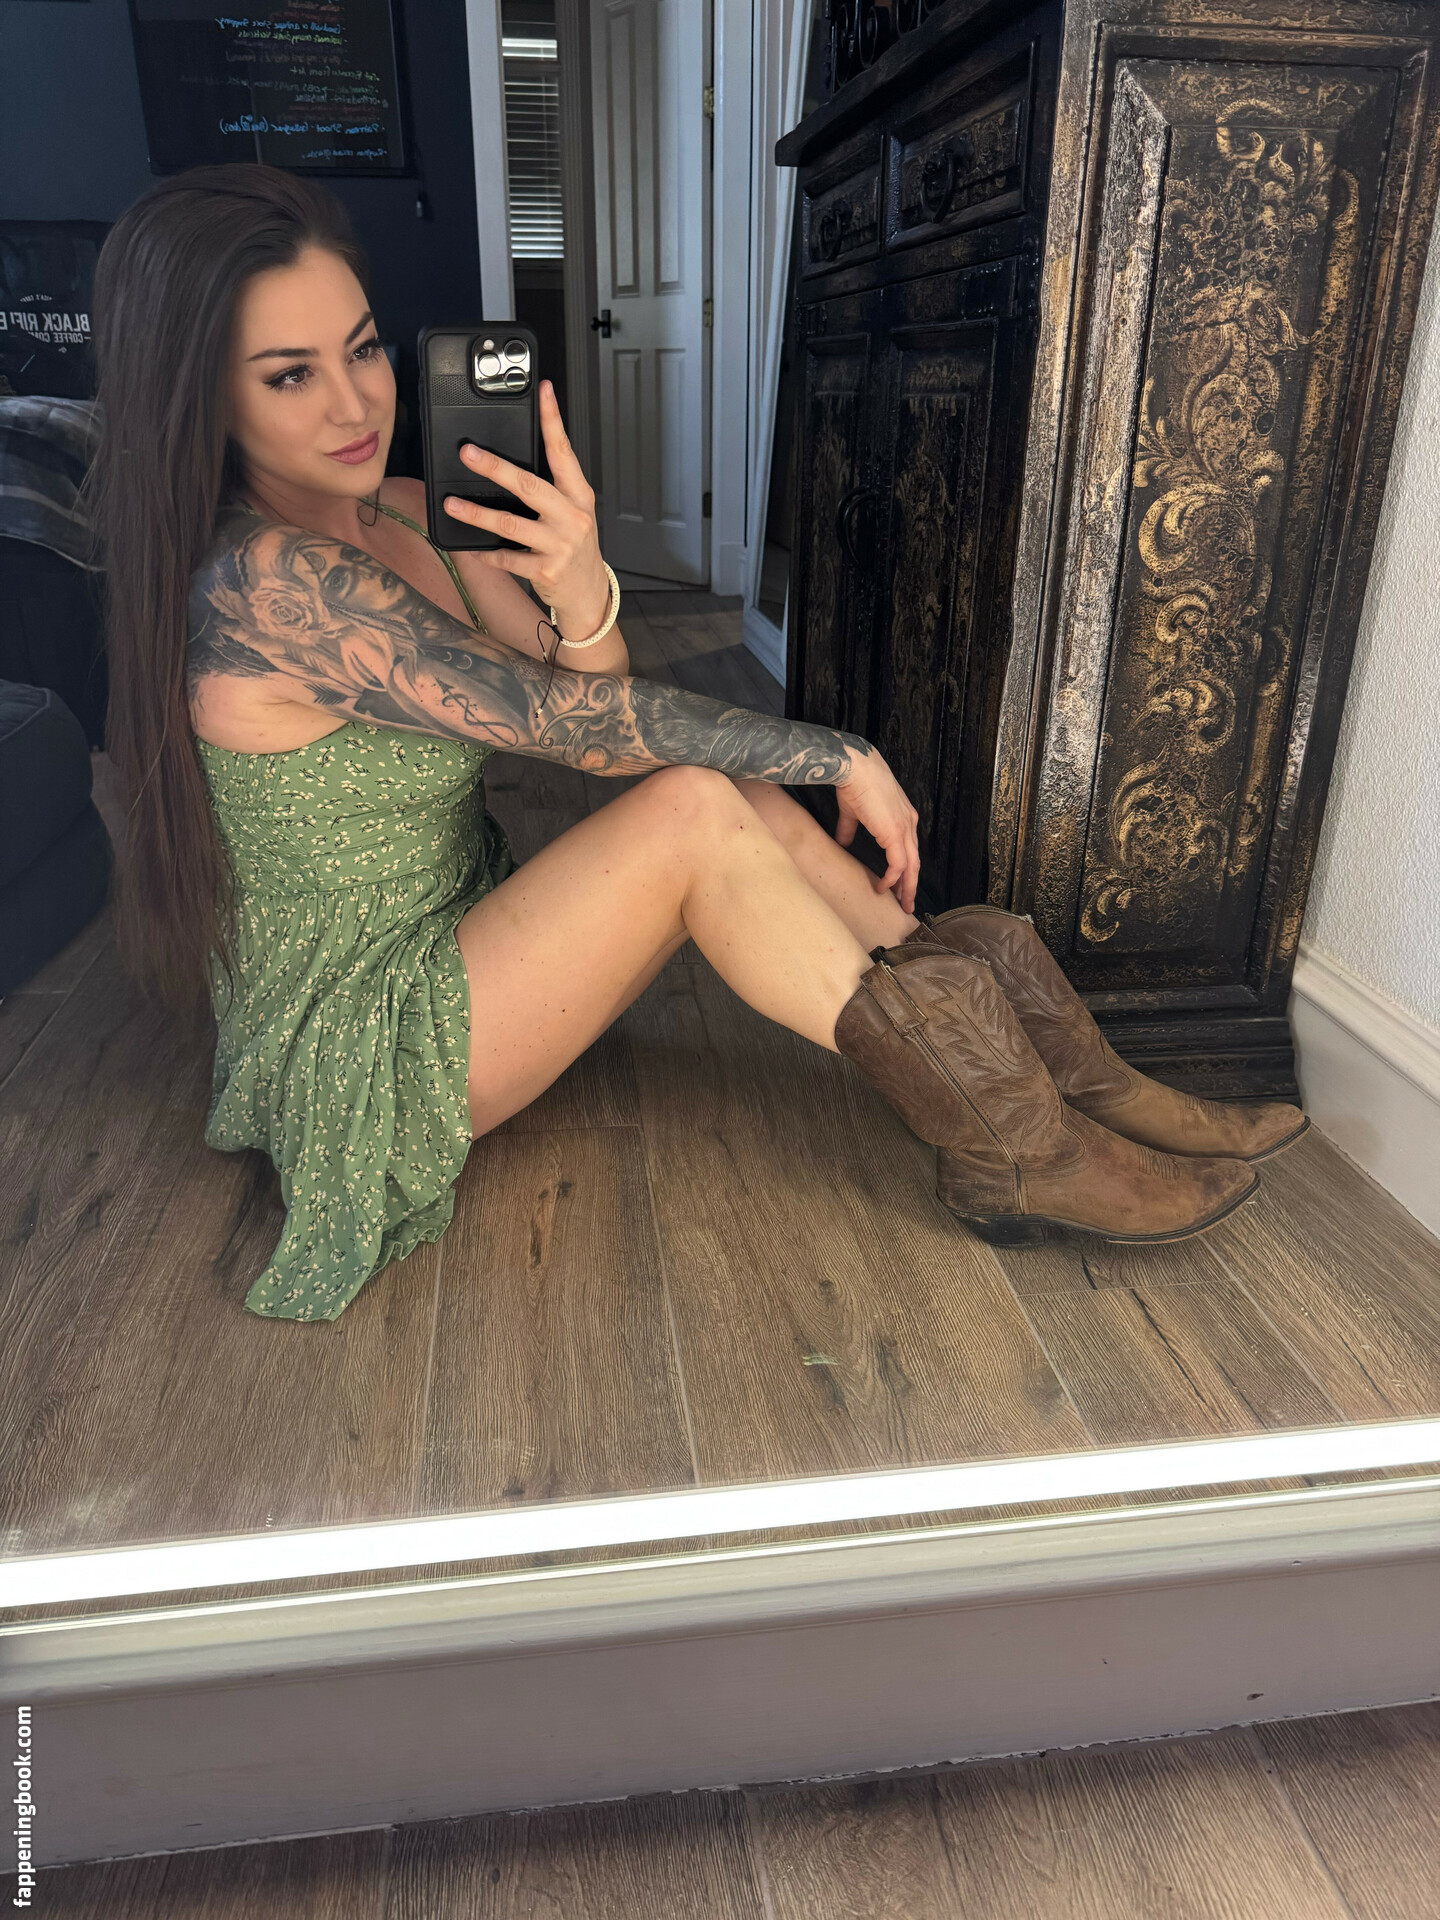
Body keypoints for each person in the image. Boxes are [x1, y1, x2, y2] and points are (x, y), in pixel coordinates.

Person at [88, 166, 1305, 1323]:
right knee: (695, 808)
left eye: (362, 349)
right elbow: (581, 734)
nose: (357, 403)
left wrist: (580, 584)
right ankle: (1015, 1142)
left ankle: (1070, 1082)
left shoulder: (406, 510)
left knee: (712, 791)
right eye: (289, 376)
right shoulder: (263, 582)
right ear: (202, 396)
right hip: (364, 1040)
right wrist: (836, 751)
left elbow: (594, 694)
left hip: (465, 932)